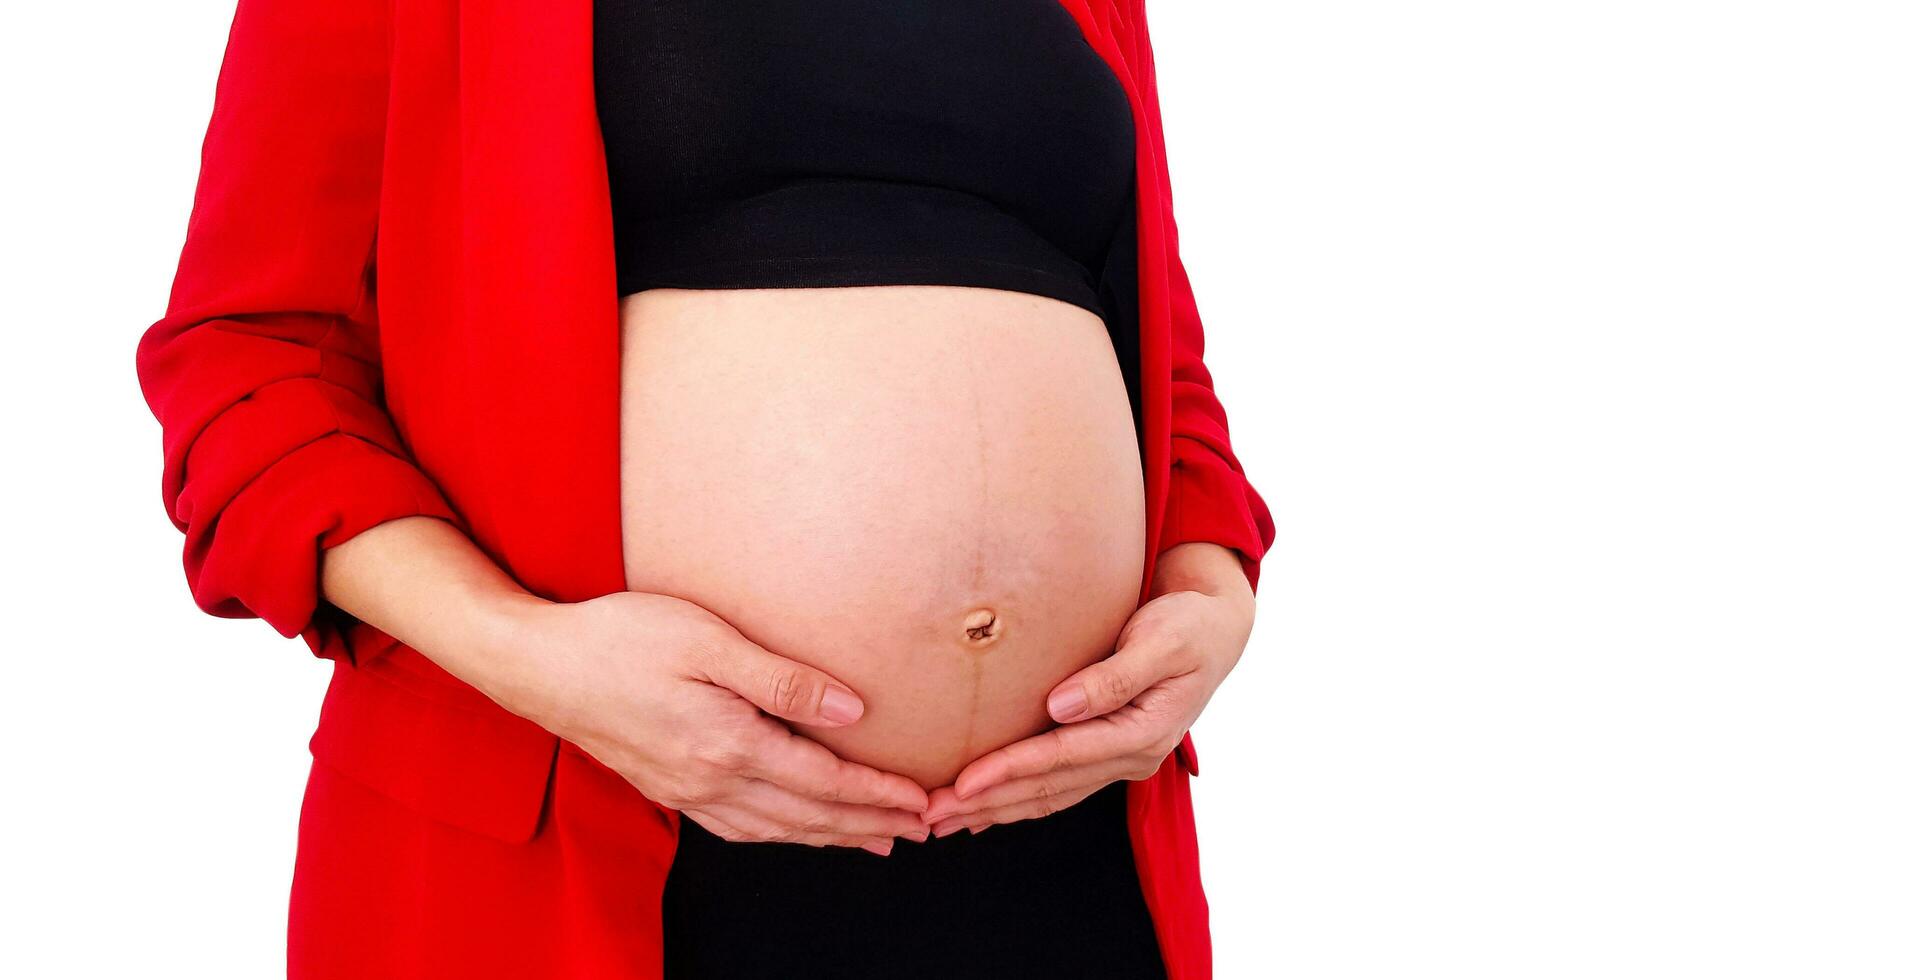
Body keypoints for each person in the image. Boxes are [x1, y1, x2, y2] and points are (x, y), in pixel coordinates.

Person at [134, 0, 1276, 976]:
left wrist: (1211, 590)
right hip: (587, 838)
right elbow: (250, 359)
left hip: (1062, 855)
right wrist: (536, 655)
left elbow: (1160, 361)